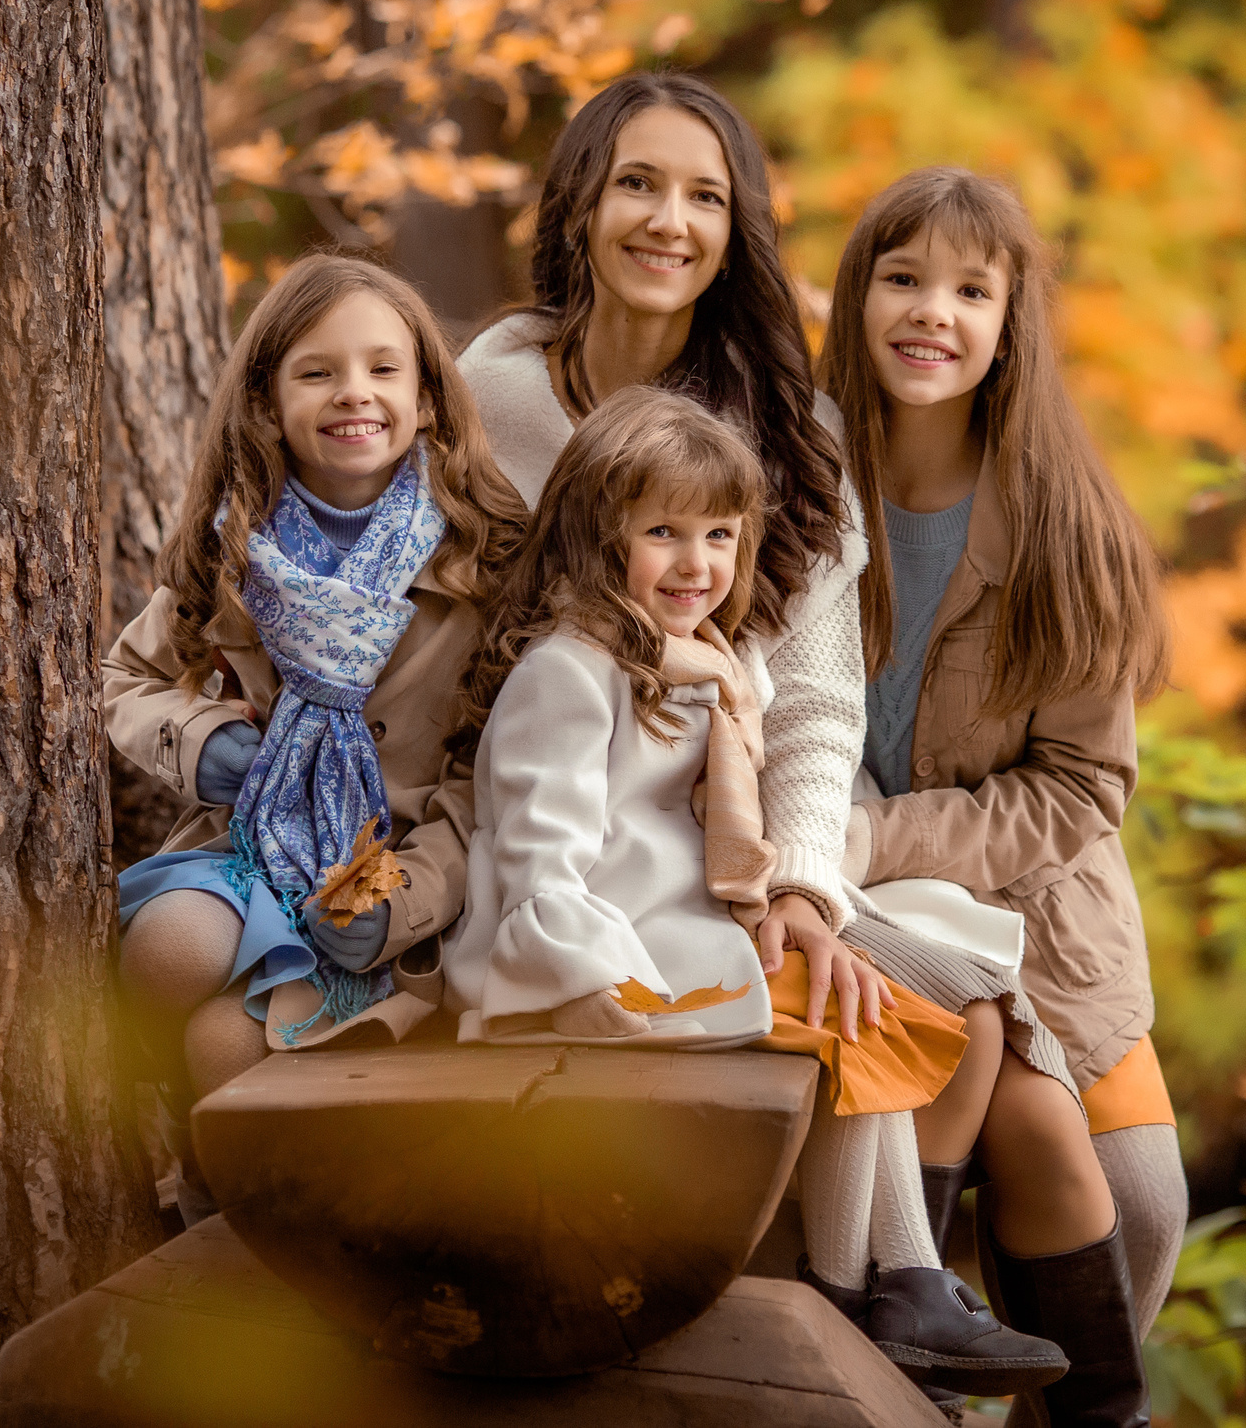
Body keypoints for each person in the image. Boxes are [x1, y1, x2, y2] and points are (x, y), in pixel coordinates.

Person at [443, 386, 1067, 1401]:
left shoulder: (700, 667)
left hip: (679, 925)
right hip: (594, 958)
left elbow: (743, 786)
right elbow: (535, 858)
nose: (697, 566)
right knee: (843, 1014)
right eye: (663, 534)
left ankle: (892, 1283)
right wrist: (592, 980)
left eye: (720, 536)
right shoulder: (569, 672)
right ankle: (866, 1287)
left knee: (881, 991)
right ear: (597, 540)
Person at [819, 167, 1181, 1428]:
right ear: (857, 295)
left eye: (971, 289)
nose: (933, 313)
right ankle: (904, 1372)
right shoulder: (799, 485)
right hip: (859, 904)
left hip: (1039, 909)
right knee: (1023, 1130)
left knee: (1146, 1211)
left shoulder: (1067, 524)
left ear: (1011, 319)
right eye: (903, 276)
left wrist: (878, 835)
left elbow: (1081, 784)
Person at [101, 255, 520, 1125]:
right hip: (246, 847)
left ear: (429, 397)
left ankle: (226, 1200)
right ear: (265, 403)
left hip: (386, 876)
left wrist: (402, 901)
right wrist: (202, 735)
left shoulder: (485, 563)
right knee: (171, 951)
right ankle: (132, 1120)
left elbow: (492, 781)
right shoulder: (237, 547)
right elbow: (126, 677)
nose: (352, 392)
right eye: (317, 371)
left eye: (382, 368)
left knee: (227, 1046)